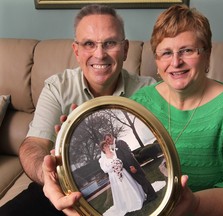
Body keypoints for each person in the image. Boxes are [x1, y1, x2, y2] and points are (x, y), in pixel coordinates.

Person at [0, 4, 155, 216]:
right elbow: (33, 144)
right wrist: (48, 175)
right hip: (59, 186)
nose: (99, 54)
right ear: (76, 50)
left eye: (110, 43)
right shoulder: (58, 87)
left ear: (126, 49)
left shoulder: (149, 90)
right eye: (89, 44)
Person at [130, 4, 223, 216]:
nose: (175, 62)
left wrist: (196, 205)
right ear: (156, 61)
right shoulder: (140, 102)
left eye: (187, 51)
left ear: (207, 55)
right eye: (166, 53)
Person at [104, 133, 157, 202]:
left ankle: (152, 195)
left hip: (131, 166)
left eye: (108, 139)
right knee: (140, 181)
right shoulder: (114, 146)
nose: (108, 141)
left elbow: (128, 155)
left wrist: (131, 166)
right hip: (128, 168)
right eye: (106, 141)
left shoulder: (120, 142)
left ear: (112, 137)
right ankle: (150, 194)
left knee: (142, 180)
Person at [99, 140, 145, 215]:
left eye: (107, 145)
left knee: (129, 185)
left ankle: (136, 199)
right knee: (121, 189)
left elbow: (121, 160)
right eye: (105, 146)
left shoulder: (114, 153)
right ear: (103, 149)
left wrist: (119, 164)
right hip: (114, 176)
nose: (107, 146)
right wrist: (113, 166)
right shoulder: (102, 160)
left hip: (123, 172)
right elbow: (105, 170)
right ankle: (126, 204)